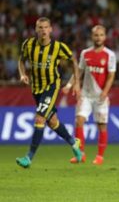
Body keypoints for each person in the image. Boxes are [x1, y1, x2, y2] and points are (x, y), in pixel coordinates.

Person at [16, 17, 82, 168]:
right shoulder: (28, 44)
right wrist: (22, 74)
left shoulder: (58, 47)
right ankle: (74, 143)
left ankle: (29, 157)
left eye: (46, 27)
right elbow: (21, 60)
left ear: (51, 29)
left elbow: (74, 61)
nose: (43, 30)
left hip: (51, 86)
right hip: (36, 88)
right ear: (36, 29)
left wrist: (76, 83)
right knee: (52, 122)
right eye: (40, 27)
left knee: (40, 119)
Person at [63, 25, 116, 165]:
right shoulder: (85, 53)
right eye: (96, 35)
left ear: (105, 37)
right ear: (92, 37)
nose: (98, 37)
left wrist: (105, 92)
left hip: (100, 96)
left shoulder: (110, 55)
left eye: (101, 35)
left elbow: (111, 76)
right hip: (85, 95)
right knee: (79, 121)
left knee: (101, 126)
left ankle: (100, 156)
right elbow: (78, 72)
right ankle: (81, 154)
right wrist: (69, 85)